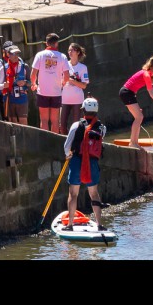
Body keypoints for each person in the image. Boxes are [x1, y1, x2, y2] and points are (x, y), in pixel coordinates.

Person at [64, 97, 107, 232]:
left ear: (83, 110)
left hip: (77, 161)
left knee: (73, 194)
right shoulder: (102, 128)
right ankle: (99, 224)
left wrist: (68, 155)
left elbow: (67, 146)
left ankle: (70, 225)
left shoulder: (76, 125)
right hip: (92, 162)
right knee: (94, 194)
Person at [120, 56, 153, 149]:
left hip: (128, 93)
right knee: (139, 117)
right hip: (127, 93)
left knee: (139, 117)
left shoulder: (148, 74)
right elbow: (151, 93)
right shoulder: (146, 74)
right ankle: (133, 143)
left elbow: (134, 87)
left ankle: (134, 142)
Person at [31, 33, 70, 132]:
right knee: (55, 120)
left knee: (44, 120)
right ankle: (54, 140)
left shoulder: (40, 55)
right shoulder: (62, 56)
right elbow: (67, 76)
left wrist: (34, 84)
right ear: (57, 43)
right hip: (56, 92)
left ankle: (44, 140)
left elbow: (33, 74)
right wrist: (62, 84)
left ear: (46, 43)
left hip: (43, 92)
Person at [60, 43, 90, 130]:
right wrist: (63, 81)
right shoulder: (64, 65)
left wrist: (72, 81)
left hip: (77, 99)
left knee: (76, 126)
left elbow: (84, 86)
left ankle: (76, 139)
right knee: (62, 125)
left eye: (72, 50)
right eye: (69, 50)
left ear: (78, 52)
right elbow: (60, 82)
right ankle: (65, 139)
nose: (69, 52)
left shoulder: (83, 67)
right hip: (65, 99)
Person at [1, 46, 30, 124]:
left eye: (18, 53)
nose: (16, 56)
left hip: (22, 99)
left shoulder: (25, 66)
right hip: (10, 99)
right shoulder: (4, 68)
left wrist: (25, 82)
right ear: (8, 54)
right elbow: (0, 85)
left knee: (23, 123)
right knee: (13, 123)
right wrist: (5, 85)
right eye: (14, 54)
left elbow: (30, 83)